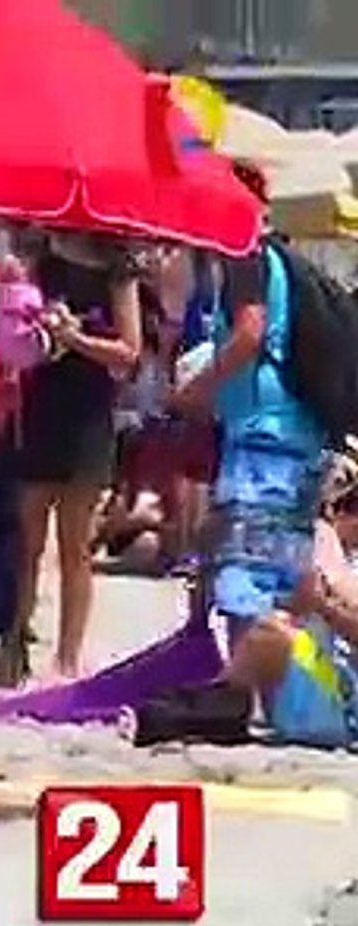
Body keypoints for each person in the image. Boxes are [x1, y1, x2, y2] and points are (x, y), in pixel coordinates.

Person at [172, 164, 325, 646]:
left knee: (245, 575)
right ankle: (275, 691)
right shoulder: (281, 259)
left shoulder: (244, 257)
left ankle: (244, 691)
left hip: (262, 434)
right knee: (278, 568)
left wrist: (200, 388)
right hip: (295, 426)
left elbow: (249, 333)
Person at [0, 231, 142, 685]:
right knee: (26, 543)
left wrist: (74, 338)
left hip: (87, 414)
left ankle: (67, 658)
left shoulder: (117, 268)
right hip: (40, 407)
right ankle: (14, 646)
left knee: (74, 547)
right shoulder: (40, 258)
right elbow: (14, 331)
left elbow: (128, 352)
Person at [225, 451, 358, 748]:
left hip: (345, 705)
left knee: (272, 634)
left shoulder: (331, 552)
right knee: (271, 628)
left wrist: (323, 606)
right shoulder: (333, 552)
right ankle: (217, 706)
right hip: (337, 682)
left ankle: (215, 706)